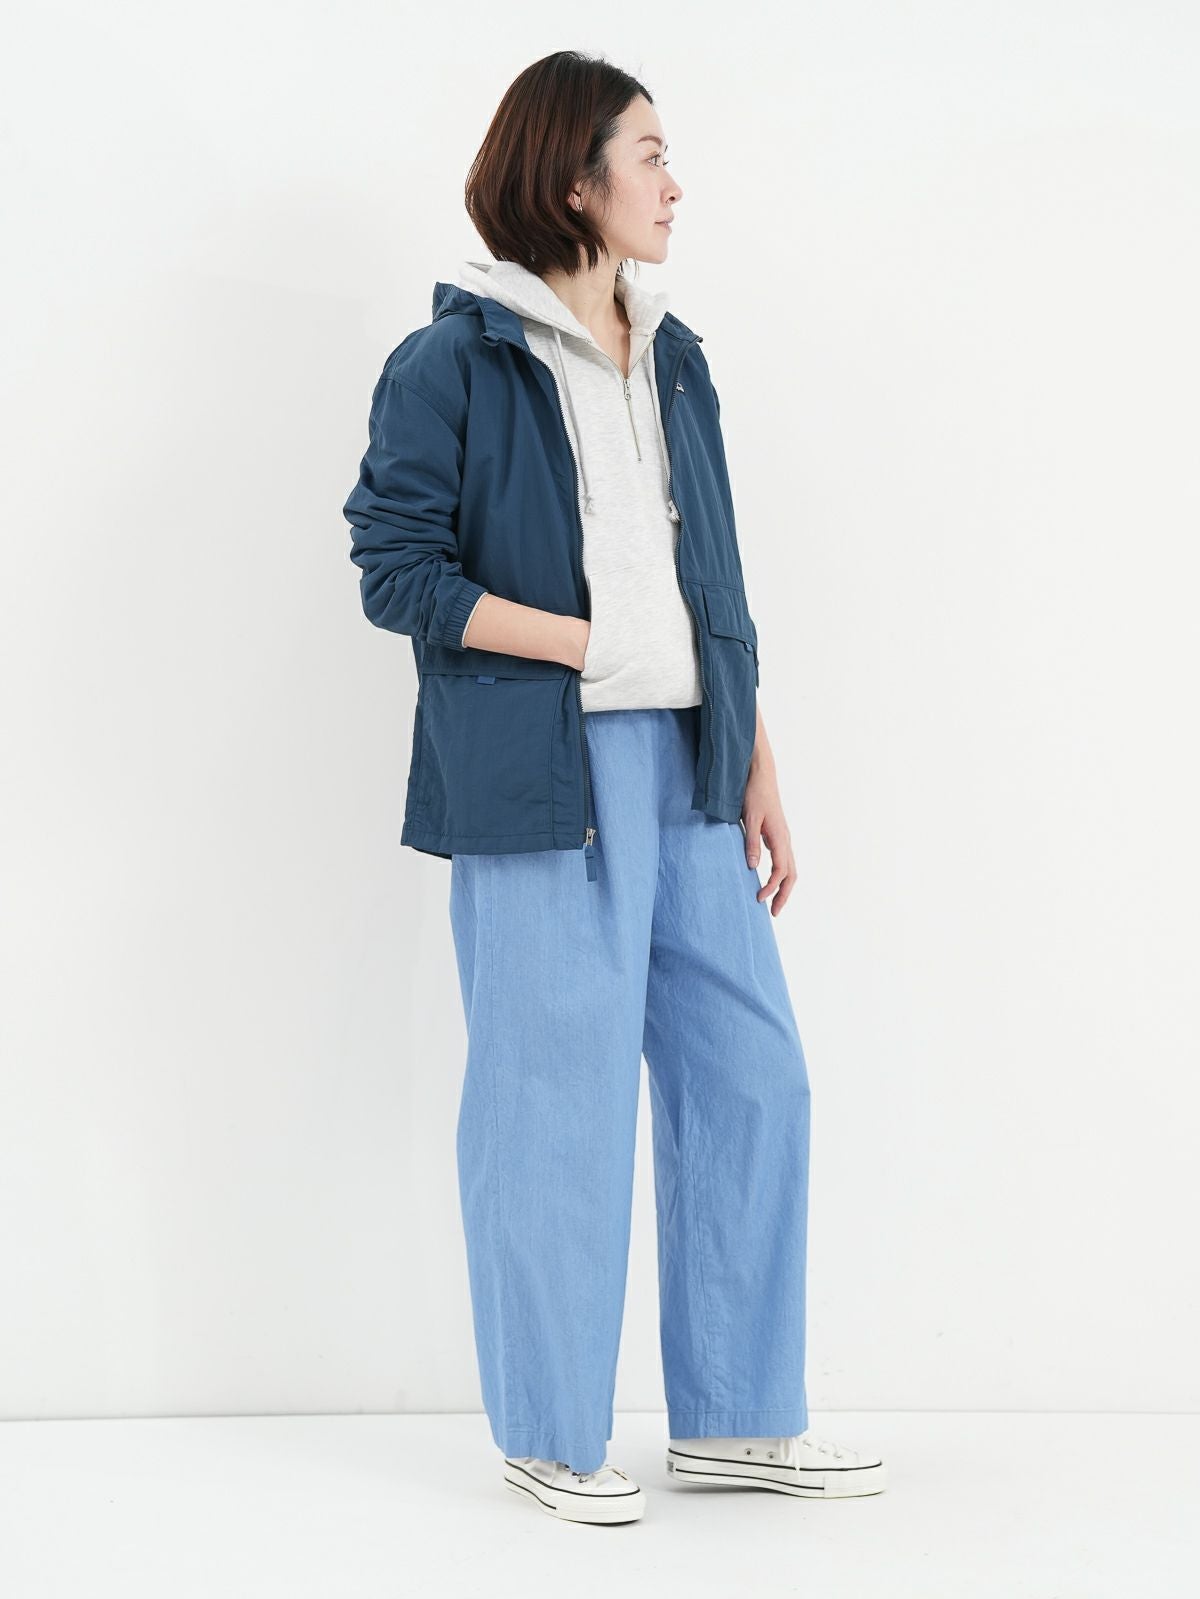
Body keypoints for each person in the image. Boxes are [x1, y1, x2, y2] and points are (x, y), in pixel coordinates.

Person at [342, 50, 886, 1526]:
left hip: (693, 768)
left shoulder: (677, 354)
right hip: (542, 771)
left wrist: (756, 754)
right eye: (649, 154)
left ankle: (738, 1420)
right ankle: (549, 1433)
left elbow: (714, 576)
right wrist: (586, 644)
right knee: (553, 1100)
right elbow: (395, 572)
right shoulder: (454, 361)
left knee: (751, 1076)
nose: (674, 183)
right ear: (574, 179)